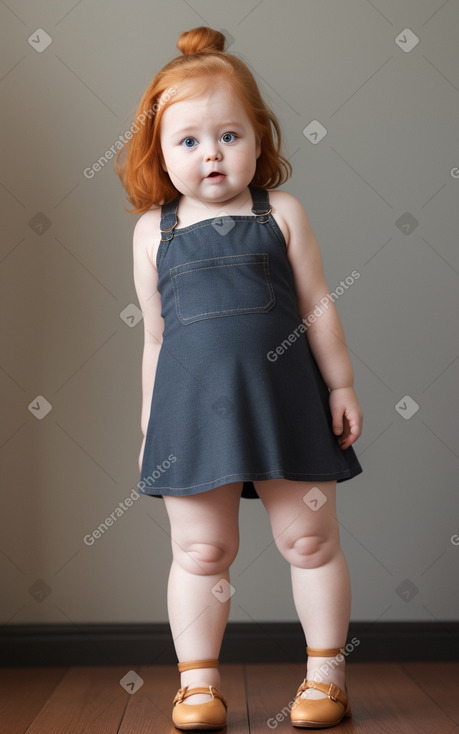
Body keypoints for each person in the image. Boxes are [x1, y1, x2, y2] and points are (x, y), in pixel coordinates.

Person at [115, 26, 363, 730]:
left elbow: (315, 306)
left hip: (285, 404)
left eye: (229, 136)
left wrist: (340, 385)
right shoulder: (150, 233)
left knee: (309, 540)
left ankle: (325, 678)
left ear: (258, 138)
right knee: (201, 549)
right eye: (188, 141)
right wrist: (148, 430)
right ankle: (197, 686)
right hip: (190, 415)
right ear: (158, 154)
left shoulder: (280, 214)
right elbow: (156, 338)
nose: (212, 154)